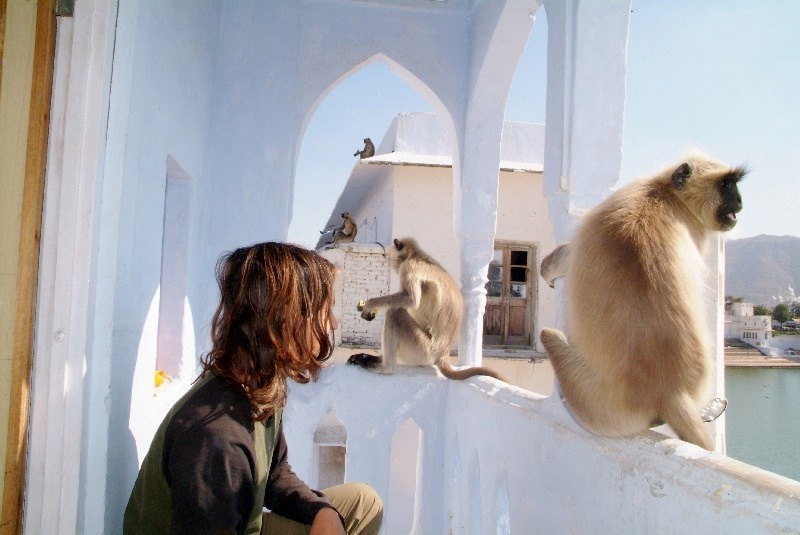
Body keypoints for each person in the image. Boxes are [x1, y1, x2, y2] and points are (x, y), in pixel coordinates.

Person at [124, 242, 383, 535]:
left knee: (362, 502)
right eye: (324, 310)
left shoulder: (261, 385)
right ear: (285, 319)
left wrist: (320, 510)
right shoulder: (216, 437)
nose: (333, 323)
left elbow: (274, 475)